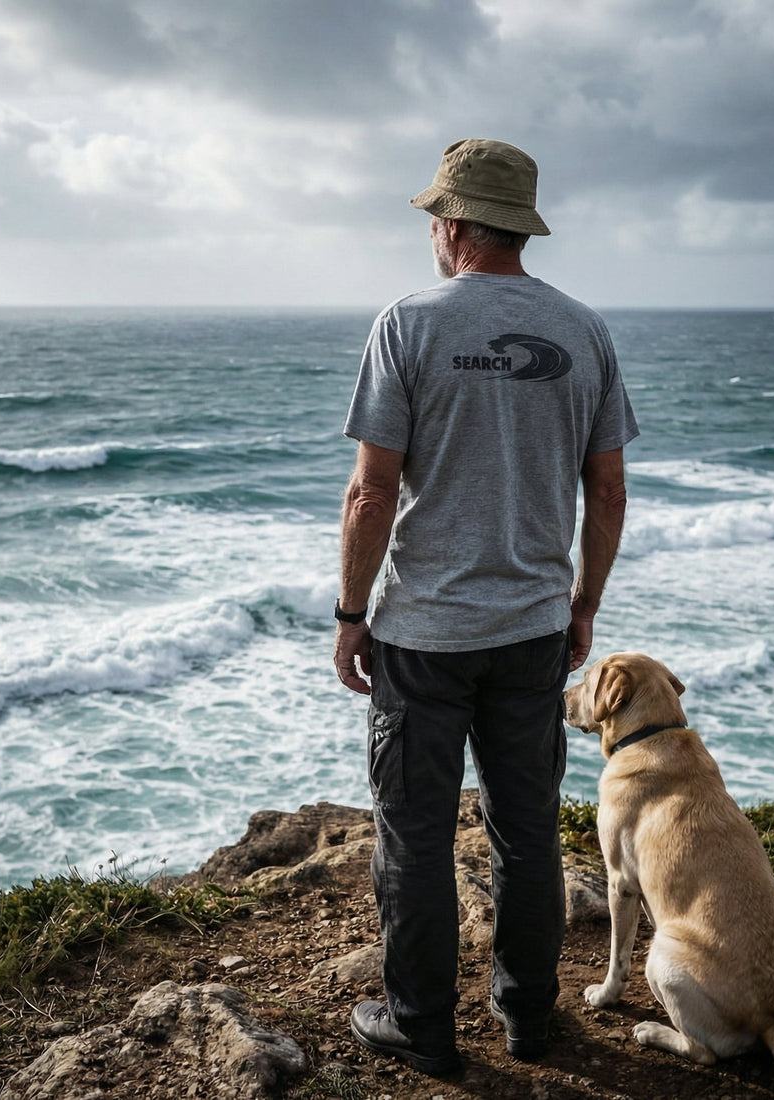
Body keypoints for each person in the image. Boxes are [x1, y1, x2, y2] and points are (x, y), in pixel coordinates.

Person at [334, 138, 638, 1076]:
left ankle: (421, 1025)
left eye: (436, 217)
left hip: (423, 636)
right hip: (534, 630)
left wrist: (352, 615)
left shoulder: (408, 323)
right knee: (528, 829)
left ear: (456, 226)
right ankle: (528, 1021)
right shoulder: (583, 330)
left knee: (416, 837)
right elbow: (609, 488)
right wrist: (583, 603)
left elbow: (371, 493)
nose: (432, 231)